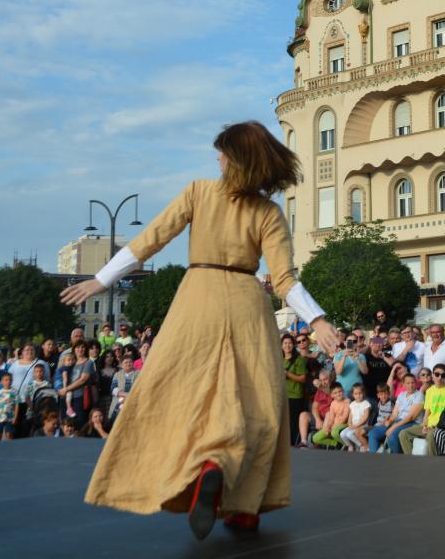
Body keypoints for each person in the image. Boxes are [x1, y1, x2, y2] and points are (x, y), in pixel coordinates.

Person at [59, 121, 338, 540]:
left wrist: (101, 279)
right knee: (256, 405)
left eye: (222, 152)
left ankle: (197, 469)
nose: (217, 158)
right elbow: (284, 279)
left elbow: (150, 240)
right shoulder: (269, 212)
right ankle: (241, 503)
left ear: (237, 158)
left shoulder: (197, 192)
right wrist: (317, 319)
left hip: (197, 300)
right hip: (246, 302)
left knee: (180, 391)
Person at [400, 363, 445, 455]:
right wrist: (425, 425)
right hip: (428, 425)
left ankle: (432, 463)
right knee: (403, 434)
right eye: (437, 374)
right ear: (432, 375)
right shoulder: (429, 391)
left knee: (430, 436)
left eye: (443, 375)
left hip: (440, 426)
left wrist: (433, 427)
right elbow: (427, 413)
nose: (439, 377)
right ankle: (411, 462)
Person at [377, 372, 423, 454]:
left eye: (412, 382)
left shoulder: (419, 395)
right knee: (374, 432)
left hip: (412, 422)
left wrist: (393, 426)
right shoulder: (401, 395)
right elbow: (395, 413)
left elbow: (411, 417)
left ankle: (398, 458)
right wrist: (389, 421)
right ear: (403, 384)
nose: (411, 385)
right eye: (408, 383)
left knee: (392, 436)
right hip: (399, 421)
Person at [281, 335, 307, 447]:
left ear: (294, 344)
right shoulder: (278, 359)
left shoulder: (299, 359)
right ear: (281, 346)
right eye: (285, 343)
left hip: (295, 395)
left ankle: (292, 445)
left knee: (293, 422)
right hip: (282, 395)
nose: (287, 345)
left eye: (290, 343)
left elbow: (302, 378)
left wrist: (287, 374)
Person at [309, 383, 350, 448]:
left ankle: (347, 445)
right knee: (315, 438)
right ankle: (336, 443)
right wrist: (328, 426)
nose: (338, 394)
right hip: (334, 425)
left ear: (343, 391)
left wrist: (334, 426)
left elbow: (345, 417)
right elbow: (331, 418)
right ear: (332, 395)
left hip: (344, 424)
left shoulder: (347, 401)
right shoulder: (333, 403)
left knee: (334, 432)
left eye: (339, 391)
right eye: (335, 393)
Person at [339, 383, 372, 452]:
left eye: (360, 393)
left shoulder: (366, 404)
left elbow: (365, 417)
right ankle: (350, 445)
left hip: (362, 425)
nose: (358, 395)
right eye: (356, 394)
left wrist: (356, 425)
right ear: (353, 395)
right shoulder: (352, 404)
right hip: (353, 425)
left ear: (364, 393)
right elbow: (350, 416)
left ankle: (361, 445)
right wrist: (350, 424)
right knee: (342, 434)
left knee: (349, 434)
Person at [0, 372, 19, 442]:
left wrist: (15, 417)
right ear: (1, 382)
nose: (8, 381)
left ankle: (10, 450)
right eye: (6, 380)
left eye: (10, 380)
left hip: (9, 418)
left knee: (9, 435)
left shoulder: (14, 392)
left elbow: (17, 406)